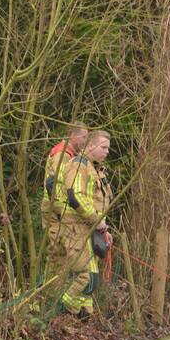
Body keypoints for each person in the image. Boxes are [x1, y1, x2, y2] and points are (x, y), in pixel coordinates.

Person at [57, 130, 113, 318]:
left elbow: (98, 201)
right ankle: (59, 309)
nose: (107, 152)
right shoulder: (78, 166)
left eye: (108, 148)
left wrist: (103, 228)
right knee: (85, 276)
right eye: (103, 147)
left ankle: (83, 316)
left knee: (93, 280)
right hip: (76, 228)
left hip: (91, 229)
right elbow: (76, 197)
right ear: (90, 146)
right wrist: (98, 222)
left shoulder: (96, 169)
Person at [41, 123, 88, 276]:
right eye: (84, 137)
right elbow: (57, 186)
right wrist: (63, 213)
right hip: (55, 211)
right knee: (57, 253)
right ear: (72, 136)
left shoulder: (68, 154)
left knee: (61, 253)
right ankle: (52, 293)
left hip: (57, 210)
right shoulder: (63, 155)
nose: (85, 142)